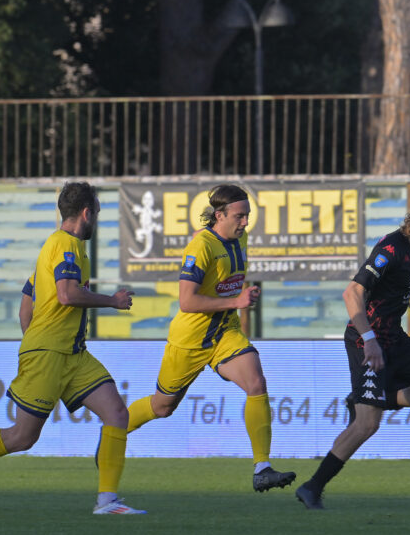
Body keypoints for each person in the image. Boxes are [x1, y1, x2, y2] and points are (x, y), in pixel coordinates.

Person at [0, 182, 143, 514]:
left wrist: (36, 339)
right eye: (97, 213)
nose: (97, 220)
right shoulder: (66, 245)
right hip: (50, 355)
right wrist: (112, 301)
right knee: (22, 437)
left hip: (73, 355)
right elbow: (67, 295)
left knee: (116, 413)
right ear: (87, 213)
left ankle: (107, 500)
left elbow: (25, 307)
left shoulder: (56, 248)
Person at [125, 184, 296, 493]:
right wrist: (237, 301)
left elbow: (223, 273)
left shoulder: (239, 239)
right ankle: (113, 430)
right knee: (162, 407)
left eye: (247, 215)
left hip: (225, 333)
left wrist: (240, 299)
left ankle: (262, 468)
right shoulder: (200, 247)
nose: (245, 222)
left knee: (256, 382)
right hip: (190, 340)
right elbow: (187, 301)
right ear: (220, 215)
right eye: (239, 216)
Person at [295, 192, 410, 509]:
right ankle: (312, 487)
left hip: (392, 336)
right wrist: (369, 339)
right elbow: (352, 292)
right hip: (366, 340)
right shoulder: (391, 249)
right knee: (367, 424)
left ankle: (365, 399)